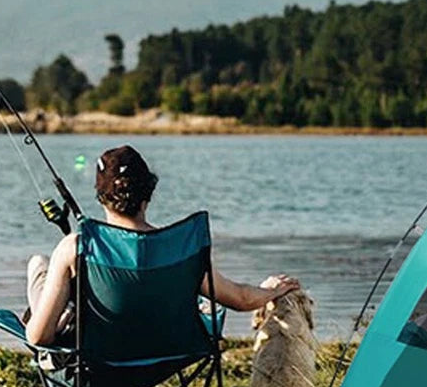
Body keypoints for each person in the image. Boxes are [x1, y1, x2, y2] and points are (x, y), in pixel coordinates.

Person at [25, 144, 300, 349]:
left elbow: (39, 337)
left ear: (101, 198)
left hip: (97, 366)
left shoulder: (75, 246)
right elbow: (240, 298)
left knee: (39, 264)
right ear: (149, 194)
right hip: (167, 359)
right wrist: (271, 291)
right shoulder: (181, 248)